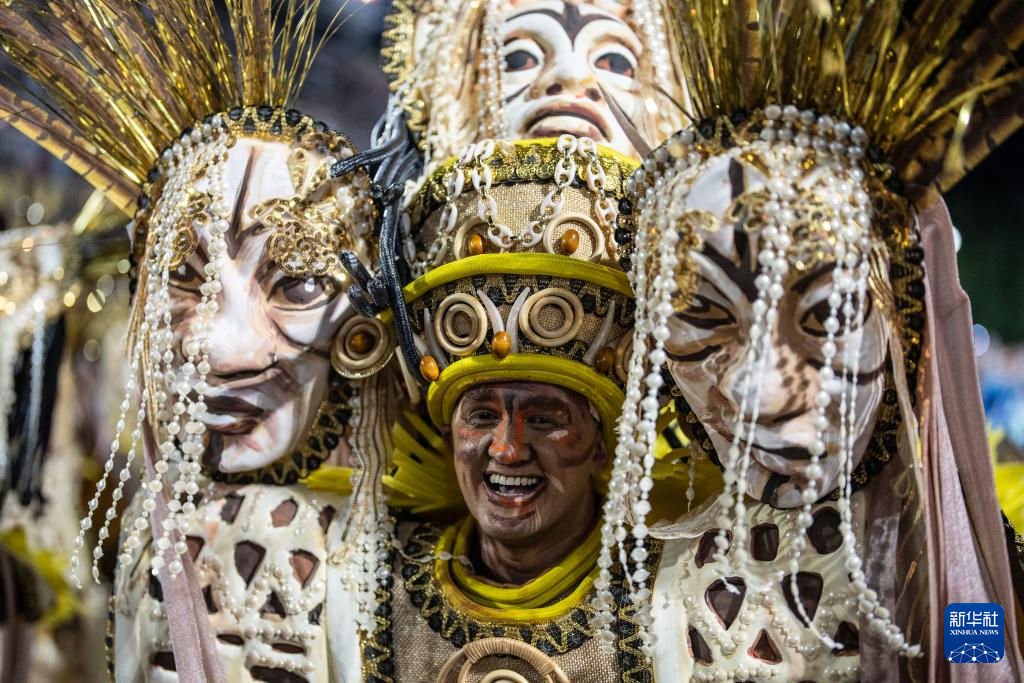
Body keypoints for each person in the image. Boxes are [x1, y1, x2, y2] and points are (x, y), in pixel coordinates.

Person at [0, 2, 379, 680]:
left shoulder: (365, 552)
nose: (222, 348)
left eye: (295, 283)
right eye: (184, 276)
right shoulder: (151, 537)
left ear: (362, 326)